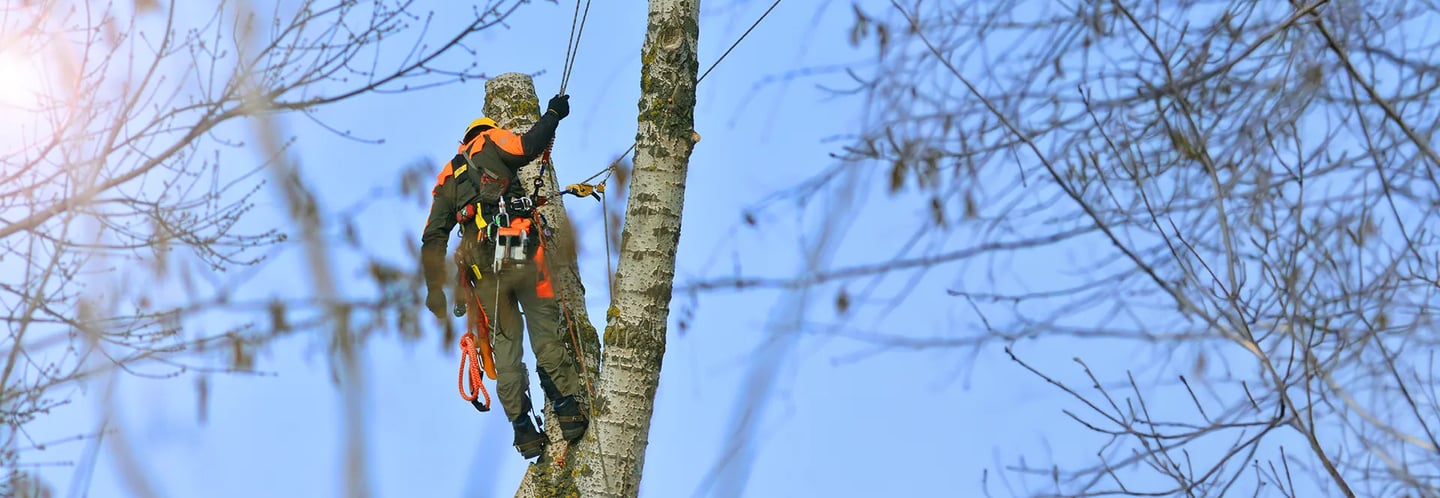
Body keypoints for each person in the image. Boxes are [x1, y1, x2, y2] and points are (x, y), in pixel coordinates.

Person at [420, 94, 587, 459]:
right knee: (544, 330)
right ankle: (568, 409)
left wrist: (434, 289)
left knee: (506, 348)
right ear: (486, 130)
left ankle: (523, 430)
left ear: (463, 140)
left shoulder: (447, 177)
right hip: (519, 249)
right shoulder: (492, 140)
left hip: (481, 270)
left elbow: (433, 237)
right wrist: (553, 115)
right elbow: (527, 146)